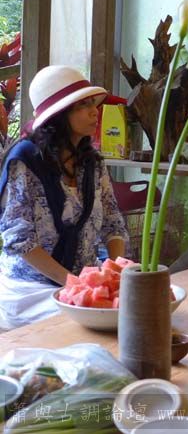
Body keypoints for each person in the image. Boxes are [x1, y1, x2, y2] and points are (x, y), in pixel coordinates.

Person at [0, 65, 128, 330]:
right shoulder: (25, 161)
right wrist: (75, 285)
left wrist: (113, 273)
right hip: (31, 290)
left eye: (93, 104)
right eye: (84, 105)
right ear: (59, 116)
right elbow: (20, 240)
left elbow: (113, 222)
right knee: (85, 325)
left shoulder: (92, 162)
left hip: (81, 281)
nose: (95, 111)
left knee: (134, 309)